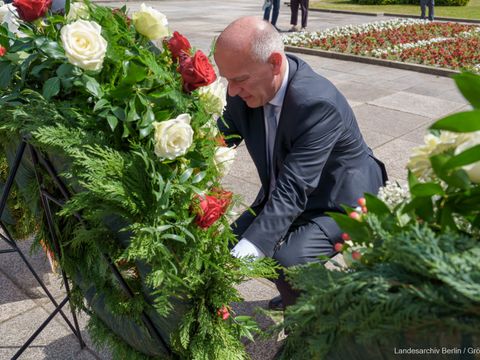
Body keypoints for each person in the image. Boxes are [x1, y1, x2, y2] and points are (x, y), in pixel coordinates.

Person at [214, 17, 387, 310]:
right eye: (227, 79)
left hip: (341, 200)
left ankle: (312, 322)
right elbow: (219, 141)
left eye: (239, 80)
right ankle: (297, 291)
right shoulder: (245, 92)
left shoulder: (317, 103)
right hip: (294, 192)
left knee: (289, 259)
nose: (231, 91)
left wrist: (245, 256)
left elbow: (293, 190)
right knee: (223, 248)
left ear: (274, 63)